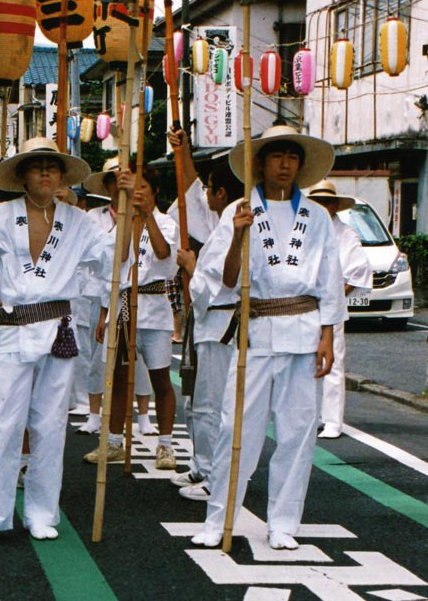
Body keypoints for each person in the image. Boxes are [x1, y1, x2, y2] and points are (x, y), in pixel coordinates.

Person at [0, 137, 135, 547]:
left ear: (62, 175)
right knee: (2, 427)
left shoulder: (78, 220)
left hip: (58, 329)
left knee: (49, 426)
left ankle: (43, 513)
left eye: (53, 166)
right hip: (12, 329)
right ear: (22, 175)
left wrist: (129, 207)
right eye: (37, 165)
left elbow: (117, 258)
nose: (46, 171)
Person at [191, 124, 344, 550]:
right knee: (236, 428)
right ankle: (218, 519)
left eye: (292, 158)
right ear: (260, 163)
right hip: (256, 331)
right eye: (277, 157)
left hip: (305, 326)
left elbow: (329, 276)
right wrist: (239, 233)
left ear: (300, 166)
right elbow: (227, 278)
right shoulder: (238, 210)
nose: (284, 165)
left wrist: (328, 335)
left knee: (297, 431)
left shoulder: (315, 216)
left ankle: (283, 524)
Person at [165, 132, 244, 501]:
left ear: (223, 193)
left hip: (222, 321)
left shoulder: (237, 215)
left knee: (214, 402)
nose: (206, 195)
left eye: (212, 189)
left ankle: (215, 475)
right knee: (196, 398)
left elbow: (221, 284)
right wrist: (183, 154)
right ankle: (201, 464)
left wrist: (192, 266)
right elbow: (193, 190)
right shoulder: (223, 215)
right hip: (207, 322)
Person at [88, 167, 179, 470]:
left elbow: (164, 254)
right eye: (132, 188)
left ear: (154, 191)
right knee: (119, 376)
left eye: (144, 187)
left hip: (154, 307)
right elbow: (118, 260)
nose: (138, 192)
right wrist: (129, 216)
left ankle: (165, 447)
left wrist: (147, 216)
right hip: (126, 306)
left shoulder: (167, 222)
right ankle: (113, 442)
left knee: (160, 379)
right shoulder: (120, 224)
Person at [307, 181, 372, 440]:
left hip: (331, 308)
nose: (323, 206)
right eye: (318, 201)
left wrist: (334, 296)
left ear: (335, 205)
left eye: (327, 201)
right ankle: (311, 417)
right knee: (305, 361)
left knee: (333, 363)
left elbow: (358, 270)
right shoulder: (303, 230)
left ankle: (333, 421)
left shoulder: (346, 234)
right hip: (303, 306)